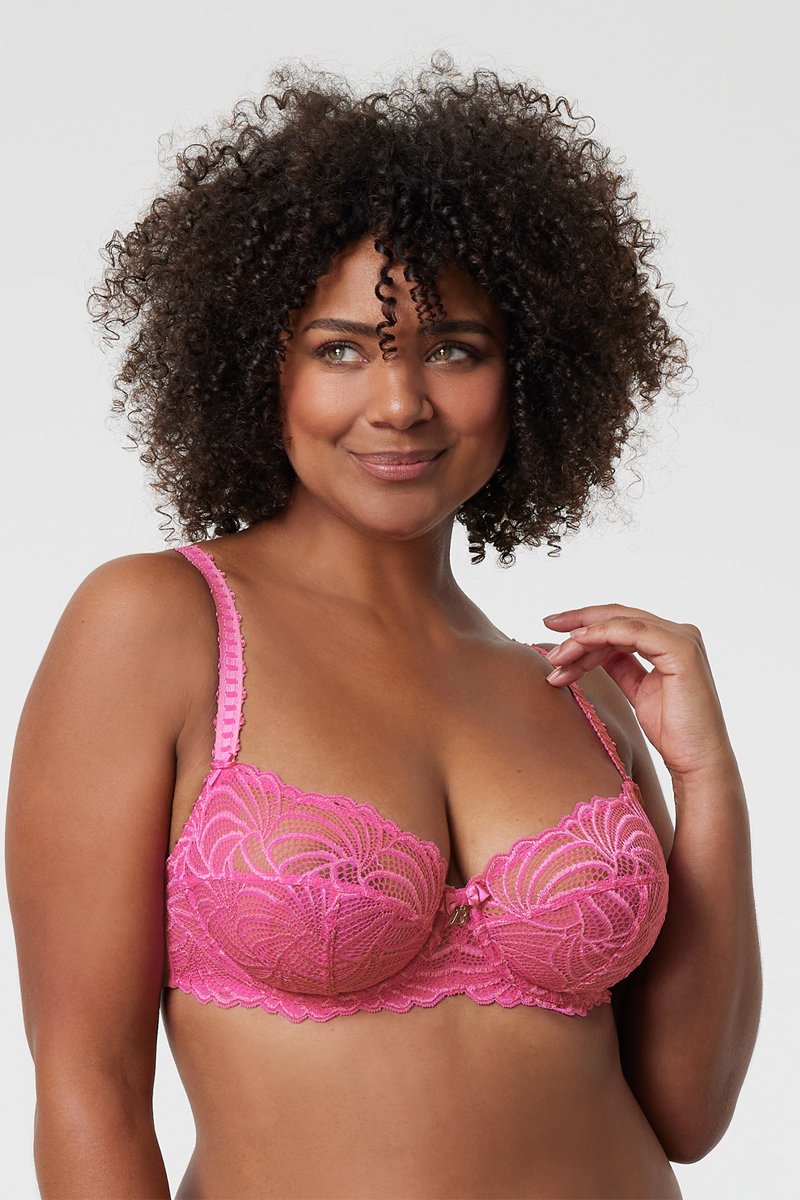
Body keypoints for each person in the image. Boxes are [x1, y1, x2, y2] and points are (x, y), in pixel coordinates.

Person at [6, 53, 761, 1200]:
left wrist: (705, 776)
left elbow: (688, 1112)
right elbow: (87, 1086)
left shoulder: (581, 694)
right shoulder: (157, 627)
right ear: (259, 366)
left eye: (452, 348)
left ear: (528, 371)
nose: (400, 404)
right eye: (341, 349)